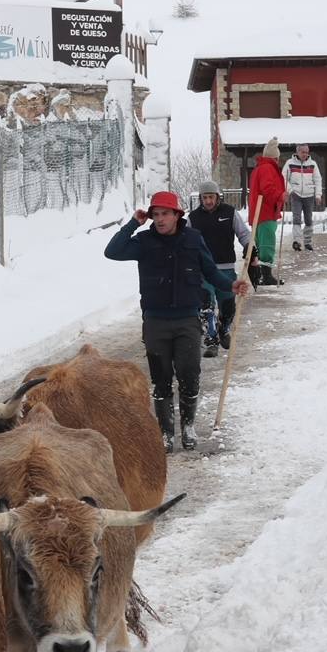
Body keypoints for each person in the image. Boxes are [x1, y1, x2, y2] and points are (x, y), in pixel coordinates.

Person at [104, 190, 251, 453]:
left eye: (164, 214)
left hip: (187, 321)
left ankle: (188, 427)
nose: (159, 220)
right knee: (161, 379)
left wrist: (231, 283)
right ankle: (166, 433)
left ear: (176, 215)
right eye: (155, 215)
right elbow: (112, 252)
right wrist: (133, 223)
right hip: (156, 321)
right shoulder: (144, 240)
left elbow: (210, 271)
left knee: (189, 375)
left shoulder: (193, 239)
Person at [187, 180, 258, 358]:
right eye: (205, 197)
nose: (208, 201)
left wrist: (250, 246)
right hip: (203, 270)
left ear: (218, 197)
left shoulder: (229, 213)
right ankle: (211, 340)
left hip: (225, 268)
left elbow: (243, 233)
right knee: (205, 306)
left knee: (228, 307)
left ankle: (223, 329)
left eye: (211, 197)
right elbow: (185, 240)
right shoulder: (193, 218)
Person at [248, 136, 286, 286]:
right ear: (274, 157)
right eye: (278, 158)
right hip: (265, 212)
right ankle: (266, 275)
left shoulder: (260, 168)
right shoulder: (267, 168)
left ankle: (260, 274)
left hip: (259, 213)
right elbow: (268, 189)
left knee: (260, 243)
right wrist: (280, 195)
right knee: (267, 244)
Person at [283, 143, 323, 251]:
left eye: (307, 152)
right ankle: (296, 241)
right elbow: (284, 178)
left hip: (309, 195)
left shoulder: (313, 164)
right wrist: (290, 191)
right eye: (303, 152)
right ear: (297, 152)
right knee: (296, 218)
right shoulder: (289, 163)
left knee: (308, 219)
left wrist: (318, 195)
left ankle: (307, 242)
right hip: (296, 195)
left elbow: (318, 180)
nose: (305, 154)